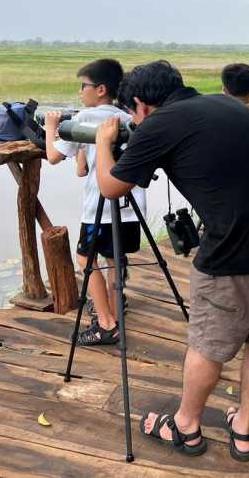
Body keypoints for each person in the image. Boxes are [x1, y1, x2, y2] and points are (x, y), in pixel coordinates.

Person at [93, 61, 249, 461]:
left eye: (131, 112)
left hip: (240, 248)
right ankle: (244, 428)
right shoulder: (224, 103)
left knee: (208, 343)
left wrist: (101, 141)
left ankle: (185, 426)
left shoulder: (159, 123)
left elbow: (111, 186)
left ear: (142, 106)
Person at [43, 58, 147, 346]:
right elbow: (81, 168)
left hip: (99, 207)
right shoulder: (126, 117)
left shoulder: (86, 119)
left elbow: (52, 156)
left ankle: (105, 323)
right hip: (130, 206)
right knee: (115, 260)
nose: (80, 92)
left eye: (83, 86)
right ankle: (115, 309)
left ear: (100, 89)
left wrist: (52, 126)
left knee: (86, 260)